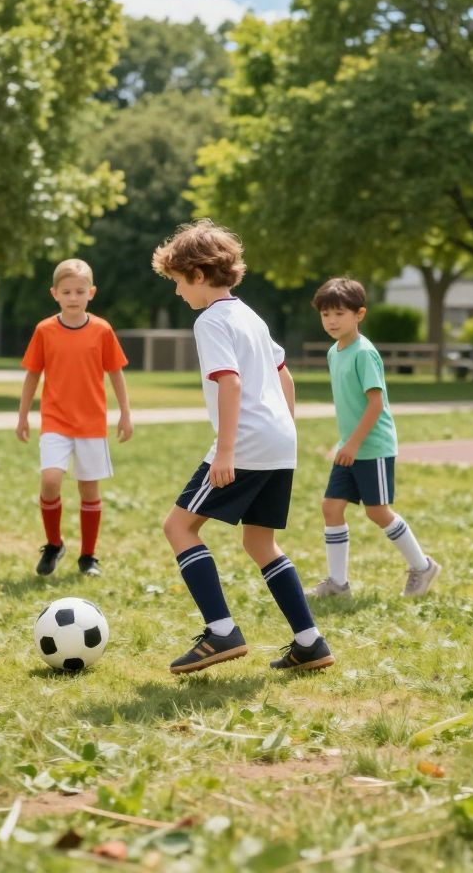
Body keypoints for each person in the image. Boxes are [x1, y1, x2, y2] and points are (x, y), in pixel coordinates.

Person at [151, 220, 333, 674]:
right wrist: (283, 430)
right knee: (259, 541)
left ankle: (220, 631)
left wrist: (227, 451)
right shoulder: (249, 315)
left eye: (176, 282)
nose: (176, 293)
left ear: (196, 274)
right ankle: (310, 641)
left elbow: (229, 383)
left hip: (246, 443)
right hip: (278, 441)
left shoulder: (210, 320)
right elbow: (283, 373)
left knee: (179, 527)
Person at [305, 277, 439, 598]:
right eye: (326, 314)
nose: (332, 321)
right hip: (349, 448)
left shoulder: (364, 353)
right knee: (331, 507)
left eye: (339, 313)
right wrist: (346, 444)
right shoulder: (334, 352)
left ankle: (422, 567)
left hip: (372, 447)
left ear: (359, 314)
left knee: (377, 511)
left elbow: (375, 404)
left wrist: (352, 443)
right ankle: (338, 584)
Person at [16, 258, 133, 578]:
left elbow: (116, 374)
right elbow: (32, 375)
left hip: (92, 423)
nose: (73, 297)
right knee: (51, 481)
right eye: (66, 291)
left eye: (80, 291)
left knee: (88, 491)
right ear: (54, 293)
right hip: (55, 420)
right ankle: (54, 544)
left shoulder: (102, 330)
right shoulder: (44, 330)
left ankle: (88, 557)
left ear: (91, 293)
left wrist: (125, 413)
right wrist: (23, 415)